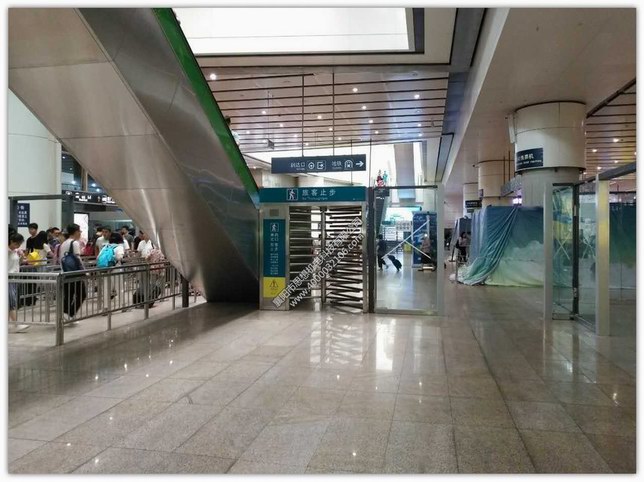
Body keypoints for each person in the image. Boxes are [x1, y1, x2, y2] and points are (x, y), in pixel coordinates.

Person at [59, 223, 87, 321]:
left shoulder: (64, 243)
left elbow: (61, 258)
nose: (80, 233)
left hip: (65, 272)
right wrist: (84, 271)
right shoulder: (74, 243)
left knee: (68, 295)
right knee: (82, 294)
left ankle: (66, 315)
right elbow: (78, 259)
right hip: (75, 273)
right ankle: (70, 314)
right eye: (79, 231)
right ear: (75, 232)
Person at [99, 232, 126, 314]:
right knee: (119, 287)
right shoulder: (119, 247)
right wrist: (114, 258)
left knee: (106, 288)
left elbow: (98, 257)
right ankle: (123, 306)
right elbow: (119, 257)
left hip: (106, 269)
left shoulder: (105, 247)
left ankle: (106, 308)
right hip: (116, 269)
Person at [8, 232, 29, 332]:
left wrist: (21, 258)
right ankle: (16, 325)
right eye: (16, 244)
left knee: (9, 303)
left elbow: (17, 263)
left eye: (19, 244)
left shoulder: (15, 251)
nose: (18, 246)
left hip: (15, 278)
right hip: (7, 278)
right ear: (11, 241)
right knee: (11, 302)